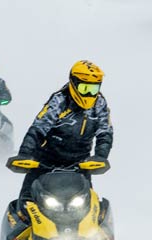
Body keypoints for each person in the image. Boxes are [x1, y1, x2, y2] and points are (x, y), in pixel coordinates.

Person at [7, 60, 113, 204]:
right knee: (26, 203)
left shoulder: (99, 103)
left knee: (92, 206)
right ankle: (19, 223)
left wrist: (101, 156)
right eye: (84, 88)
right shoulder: (59, 100)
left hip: (80, 165)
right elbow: (38, 128)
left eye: (93, 89)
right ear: (74, 84)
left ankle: (102, 226)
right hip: (45, 163)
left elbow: (105, 132)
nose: (89, 94)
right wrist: (25, 154)